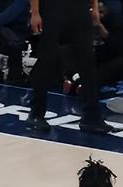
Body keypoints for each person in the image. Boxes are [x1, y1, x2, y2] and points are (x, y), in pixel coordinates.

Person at [26, 0, 114, 133]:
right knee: (48, 59)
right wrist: (35, 12)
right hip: (52, 6)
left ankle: (91, 118)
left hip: (80, 7)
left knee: (87, 60)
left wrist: (94, 6)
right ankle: (36, 113)